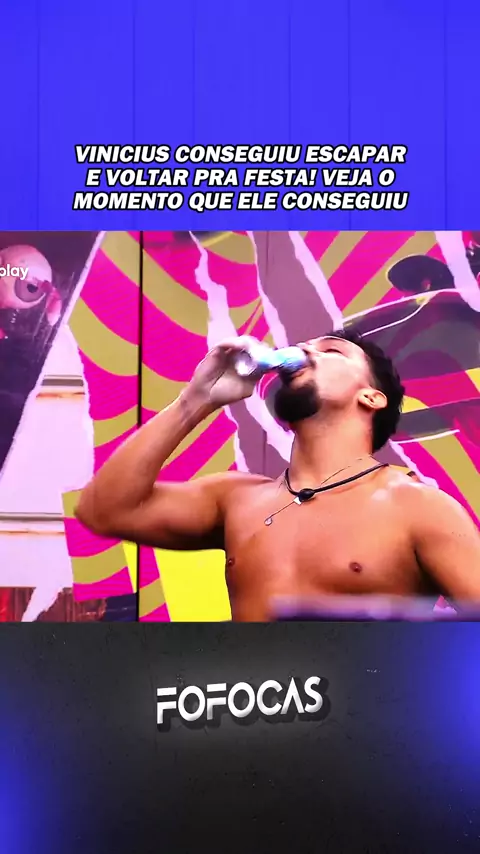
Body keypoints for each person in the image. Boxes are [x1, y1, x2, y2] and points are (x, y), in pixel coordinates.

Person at [75, 330, 480, 621]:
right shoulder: (236, 499)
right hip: (252, 716)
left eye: (331, 350)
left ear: (371, 397)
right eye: (304, 346)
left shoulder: (417, 506)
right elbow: (103, 511)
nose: (305, 351)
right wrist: (196, 399)